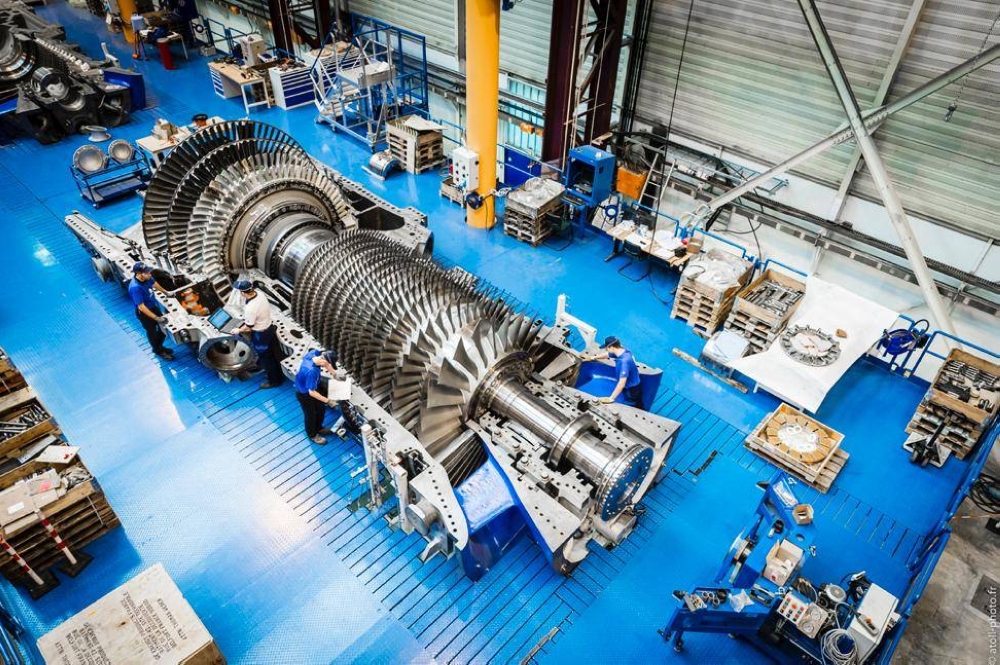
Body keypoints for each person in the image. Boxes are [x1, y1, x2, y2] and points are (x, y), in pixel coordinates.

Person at [233, 279, 282, 389]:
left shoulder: (250, 309)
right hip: (270, 329)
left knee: (267, 360)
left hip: (261, 336)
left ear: (243, 293)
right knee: (273, 356)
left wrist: (238, 330)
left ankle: (274, 381)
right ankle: (275, 374)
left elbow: (248, 327)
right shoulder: (259, 294)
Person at [128, 262, 174, 360]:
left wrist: (166, 293)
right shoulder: (135, 287)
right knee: (152, 332)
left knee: (163, 329)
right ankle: (158, 351)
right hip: (144, 313)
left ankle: (159, 347)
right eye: (147, 273)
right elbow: (141, 307)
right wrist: (156, 318)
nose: (150, 274)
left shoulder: (147, 277)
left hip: (152, 306)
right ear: (139, 274)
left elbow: (154, 283)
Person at [586, 336, 644, 409]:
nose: (606, 349)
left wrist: (611, 398)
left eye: (606, 348)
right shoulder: (622, 351)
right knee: (637, 400)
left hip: (631, 389)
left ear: (611, 347)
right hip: (633, 382)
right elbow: (607, 354)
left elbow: (622, 383)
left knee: (629, 405)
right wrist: (593, 357)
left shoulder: (624, 362)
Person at [294, 349, 338, 445]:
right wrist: (329, 401)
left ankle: (319, 428)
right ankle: (312, 435)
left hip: (312, 386)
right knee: (311, 415)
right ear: (323, 360)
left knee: (321, 409)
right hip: (304, 393)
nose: (327, 365)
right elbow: (312, 393)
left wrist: (335, 374)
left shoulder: (314, 353)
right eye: (327, 363)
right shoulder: (312, 371)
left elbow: (326, 363)